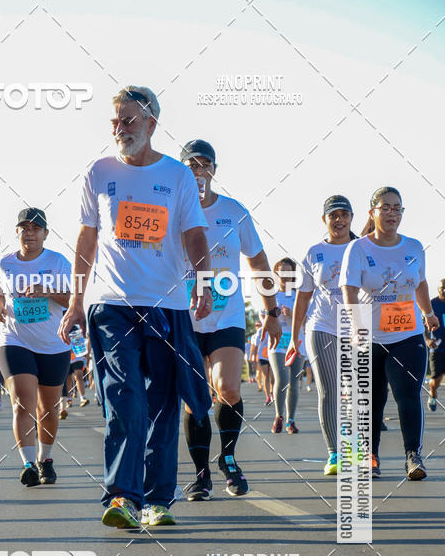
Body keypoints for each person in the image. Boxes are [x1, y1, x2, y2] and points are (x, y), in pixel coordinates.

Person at [59, 85, 217, 528]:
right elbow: (87, 239)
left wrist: (202, 285)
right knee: (124, 399)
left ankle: (157, 500)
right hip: (111, 304)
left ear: (151, 123)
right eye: (114, 121)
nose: (120, 129)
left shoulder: (178, 177)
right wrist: (75, 301)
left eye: (128, 120)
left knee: (164, 404)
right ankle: (123, 497)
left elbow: (195, 236)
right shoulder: (98, 172)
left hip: (167, 305)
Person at [179, 139, 278, 500]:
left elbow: (258, 262)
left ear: (214, 171)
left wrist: (270, 311)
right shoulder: (171, 211)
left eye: (204, 165)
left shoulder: (234, 211)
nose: (198, 171)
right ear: (181, 172)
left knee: (228, 388)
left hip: (228, 316)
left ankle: (229, 459)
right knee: (194, 399)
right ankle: (201, 474)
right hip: (185, 318)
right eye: (191, 165)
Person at [340, 186, 439, 479]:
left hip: (407, 335)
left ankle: (413, 456)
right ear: (373, 212)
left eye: (397, 208)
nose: (392, 213)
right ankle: (370, 456)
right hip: (369, 336)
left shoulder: (413, 247)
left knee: (407, 395)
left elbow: (420, 283)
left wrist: (428, 313)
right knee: (372, 398)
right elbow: (349, 288)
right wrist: (355, 322)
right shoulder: (358, 248)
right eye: (385, 207)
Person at [0, 207, 71, 487]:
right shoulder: (5, 264)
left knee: (47, 408)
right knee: (22, 402)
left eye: (36, 228)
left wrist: (46, 291)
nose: (30, 233)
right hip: (15, 339)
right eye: (25, 228)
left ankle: (44, 458)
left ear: (46, 234)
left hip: (51, 343)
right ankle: (27, 464)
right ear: (17, 232)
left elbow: (70, 300)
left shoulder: (58, 261)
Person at [288, 195, 357, 474]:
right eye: (333, 215)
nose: (339, 220)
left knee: (355, 390)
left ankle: (354, 447)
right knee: (329, 390)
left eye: (344, 214)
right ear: (324, 219)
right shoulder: (314, 252)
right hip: (322, 325)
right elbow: (303, 298)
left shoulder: (363, 248)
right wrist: (295, 336)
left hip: (357, 326)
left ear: (352, 218)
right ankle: (335, 453)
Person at [269, 259, 304, 434]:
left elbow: (309, 320)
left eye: (288, 272)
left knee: (294, 382)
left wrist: (293, 315)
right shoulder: (271, 295)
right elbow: (265, 319)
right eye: (281, 272)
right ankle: (278, 416)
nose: (284, 275)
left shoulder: (300, 295)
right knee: (282, 378)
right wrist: (274, 316)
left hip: (297, 340)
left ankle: (291, 420)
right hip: (278, 341)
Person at [426, 278, 445, 410]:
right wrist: (428, 340)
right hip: (437, 349)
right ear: (438, 289)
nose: (444, 290)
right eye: (442, 287)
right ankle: (432, 394)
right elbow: (422, 326)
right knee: (435, 382)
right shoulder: (431, 305)